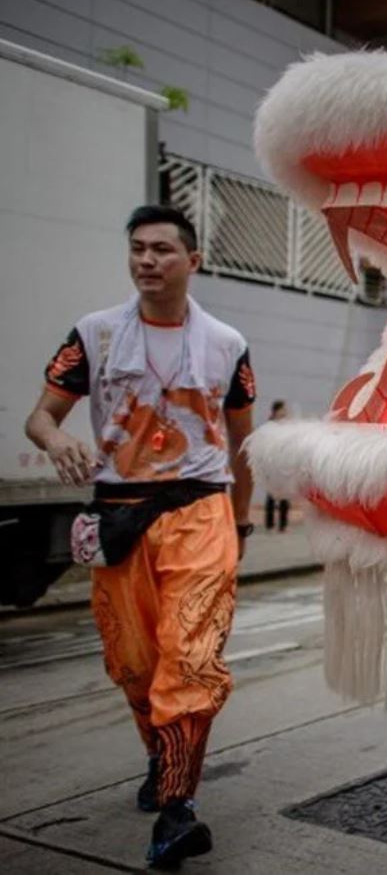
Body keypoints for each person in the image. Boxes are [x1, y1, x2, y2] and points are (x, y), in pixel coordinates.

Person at [24, 205, 255, 868]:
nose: (147, 260)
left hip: (199, 512)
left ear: (193, 261)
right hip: (118, 513)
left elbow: (243, 445)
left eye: (161, 249)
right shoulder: (94, 335)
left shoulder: (227, 343)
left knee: (190, 659)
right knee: (133, 664)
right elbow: (40, 417)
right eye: (138, 249)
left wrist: (239, 523)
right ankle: (163, 761)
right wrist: (58, 438)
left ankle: (178, 811)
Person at [264, 400, 290, 532]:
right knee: (271, 495)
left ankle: (283, 525)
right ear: (276, 411)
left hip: (284, 464)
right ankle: (269, 524)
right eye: (283, 409)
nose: (285, 412)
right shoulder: (269, 426)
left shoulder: (286, 427)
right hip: (272, 463)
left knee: (285, 495)